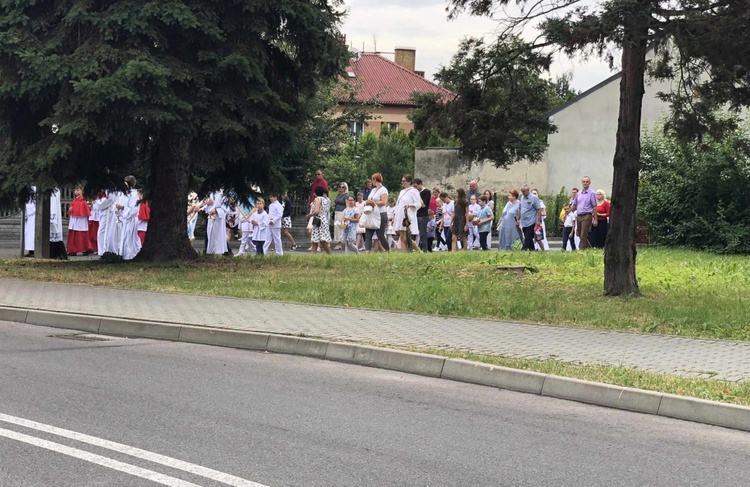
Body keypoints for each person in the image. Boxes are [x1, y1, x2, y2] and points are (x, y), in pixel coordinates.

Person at [394, 174, 422, 253]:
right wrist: (395, 216)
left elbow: (418, 204)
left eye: (404, 181)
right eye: (402, 181)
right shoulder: (402, 191)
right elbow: (398, 204)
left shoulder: (414, 191)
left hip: (408, 216)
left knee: (407, 237)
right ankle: (405, 255)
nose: (402, 182)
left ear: (409, 182)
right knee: (402, 237)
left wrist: (409, 205)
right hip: (400, 216)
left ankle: (419, 251)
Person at [117, 175, 141, 260]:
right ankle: (124, 255)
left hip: (131, 219)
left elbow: (134, 210)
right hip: (124, 219)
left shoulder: (134, 195)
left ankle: (131, 254)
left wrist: (123, 208)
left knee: (130, 238)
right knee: (124, 237)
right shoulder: (124, 194)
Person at [364, 172, 389, 252]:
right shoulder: (373, 190)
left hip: (380, 213)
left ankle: (388, 250)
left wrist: (373, 203)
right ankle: (367, 253)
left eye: (372, 180)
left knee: (380, 235)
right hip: (371, 214)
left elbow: (384, 202)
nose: (372, 182)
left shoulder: (383, 189)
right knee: (368, 234)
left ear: (375, 179)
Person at [572, 176, 598, 250]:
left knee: (583, 234)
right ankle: (590, 249)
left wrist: (595, 219)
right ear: (582, 183)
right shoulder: (578, 193)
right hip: (579, 215)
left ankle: (581, 251)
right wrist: (569, 211)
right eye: (584, 181)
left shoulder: (592, 193)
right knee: (579, 234)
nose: (585, 183)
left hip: (587, 215)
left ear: (590, 183)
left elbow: (595, 206)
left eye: (587, 181)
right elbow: (575, 205)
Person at [67, 184, 93, 256]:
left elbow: (83, 210)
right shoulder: (75, 200)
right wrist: (70, 210)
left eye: (78, 190)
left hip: (80, 220)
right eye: (75, 190)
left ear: (82, 191)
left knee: (81, 235)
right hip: (74, 219)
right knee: (74, 234)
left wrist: (74, 210)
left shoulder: (82, 200)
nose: (76, 191)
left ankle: (86, 248)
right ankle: (73, 249)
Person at [307, 185, 332, 254]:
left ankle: (330, 254)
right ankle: (314, 255)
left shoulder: (317, 199)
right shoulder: (325, 199)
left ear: (315, 193)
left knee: (322, 239)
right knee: (315, 238)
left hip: (319, 219)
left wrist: (310, 214)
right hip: (323, 218)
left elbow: (316, 211)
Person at [517, 185, 542, 251]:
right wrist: (518, 218)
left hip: (532, 221)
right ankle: (532, 250)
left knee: (528, 237)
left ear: (528, 190)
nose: (523, 193)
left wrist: (538, 221)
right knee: (528, 237)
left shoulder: (534, 198)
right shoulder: (522, 198)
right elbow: (520, 209)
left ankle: (523, 250)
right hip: (524, 222)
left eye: (524, 192)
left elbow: (539, 209)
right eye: (522, 192)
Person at [205, 189, 229, 256]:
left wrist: (216, 210)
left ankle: (219, 251)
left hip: (218, 217)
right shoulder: (211, 193)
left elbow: (225, 208)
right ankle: (210, 250)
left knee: (218, 234)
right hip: (211, 216)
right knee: (210, 232)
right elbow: (208, 205)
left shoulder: (223, 194)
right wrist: (208, 205)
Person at [49, 188, 67, 259]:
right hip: (52, 214)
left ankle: (57, 254)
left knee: (54, 233)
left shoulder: (54, 190)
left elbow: (53, 203)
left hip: (53, 214)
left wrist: (52, 216)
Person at [414, 178, 431, 251]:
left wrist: (418, 195)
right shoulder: (415, 192)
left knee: (423, 234)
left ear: (420, 184)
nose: (415, 188)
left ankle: (424, 249)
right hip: (415, 214)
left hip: (423, 215)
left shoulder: (426, 192)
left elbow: (423, 204)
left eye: (416, 186)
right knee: (413, 233)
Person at [333, 182, 349, 250]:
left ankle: (340, 243)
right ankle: (338, 242)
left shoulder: (346, 195)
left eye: (343, 187)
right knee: (336, 227)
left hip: (342, 212)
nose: (341, 188)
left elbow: (347, 205)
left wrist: (346, 215)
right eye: (340, 187)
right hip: (337, 211)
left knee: (340, 227)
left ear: (345, 188)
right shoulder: (338, 195)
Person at [23, 189, 35, 257]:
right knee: (28, 233)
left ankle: (33, 250)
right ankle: (30, 250)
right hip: (30, 217)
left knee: (32, 233)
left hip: (33, 215)